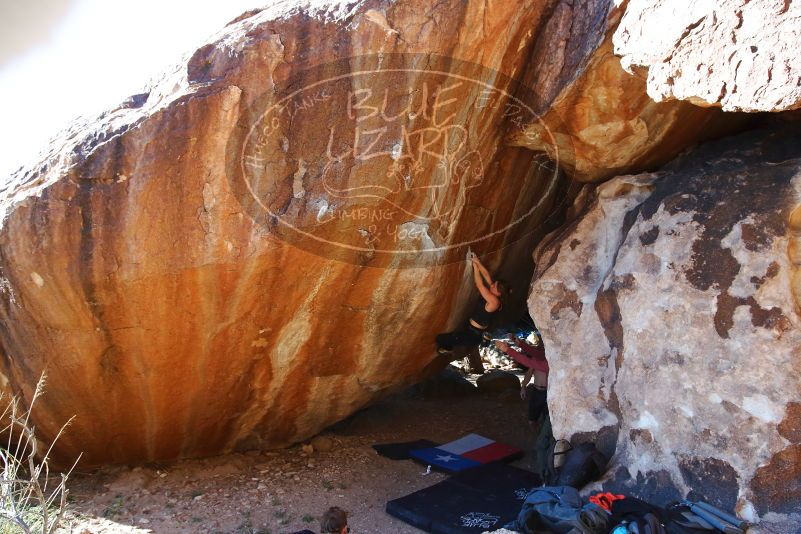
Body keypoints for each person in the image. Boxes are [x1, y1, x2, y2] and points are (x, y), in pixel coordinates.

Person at [436, 254, 508, 354]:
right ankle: (450, 344)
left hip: (473, 335)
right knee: (452, 337)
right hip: (470, 328)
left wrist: (475, 267)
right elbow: (486, 275)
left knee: (440, 339)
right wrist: (477, 262)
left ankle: (448, 348)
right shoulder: (495, 294)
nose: (492, 285)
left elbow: (479, 285)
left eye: (494, 286)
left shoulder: (494, 302)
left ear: (499, 293)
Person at [495, 333, 549, 434]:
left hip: (548, 393)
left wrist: (508, 349)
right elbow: (529, 371)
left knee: (548, 419)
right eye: (540, 342)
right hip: (537, 391)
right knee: (532, 418)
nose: (541, 344)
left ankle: (543, 439)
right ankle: (537, 436)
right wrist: (523, 387)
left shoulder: (551, 359)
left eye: (543, 342)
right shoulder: (538, 356)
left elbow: (528, 360)